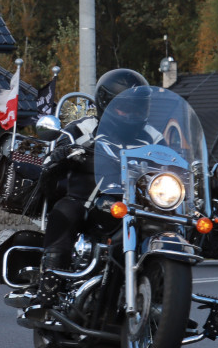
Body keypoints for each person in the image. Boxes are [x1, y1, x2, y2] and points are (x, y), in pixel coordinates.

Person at [33, 69, 150, 299]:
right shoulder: (84, 128)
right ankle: (50, 286)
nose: (131, 113)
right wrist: (61, 155)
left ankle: (168, 296)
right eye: (124, 107)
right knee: (65, 212)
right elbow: (51, 157)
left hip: (136, 205)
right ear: (105, 102)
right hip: (86, 200)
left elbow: (174, 162)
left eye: (137, 107)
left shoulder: (152, 136)